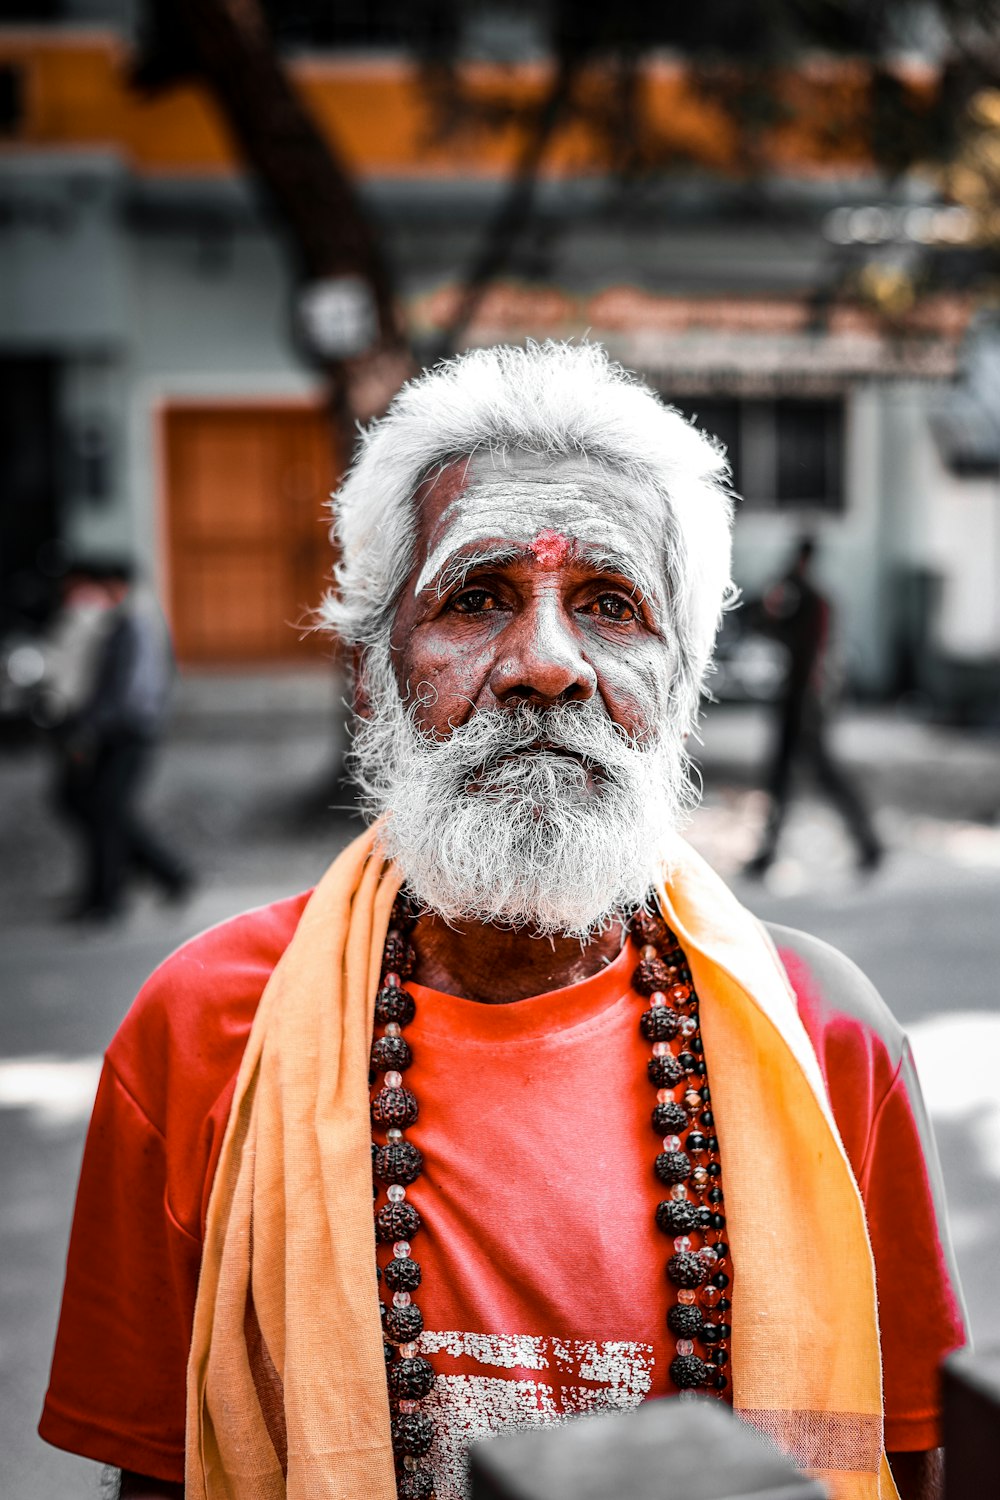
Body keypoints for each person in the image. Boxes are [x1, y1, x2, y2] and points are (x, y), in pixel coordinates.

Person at [40, 345, 963, 1500]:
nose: (544, 665)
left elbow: (918, 1462)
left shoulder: (828, 1040)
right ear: (374, 672)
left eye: (610, 605)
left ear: (680, 683)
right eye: (476, 598)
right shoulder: (200, 1028)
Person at [46, 558, 192, 920]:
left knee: (106, 811)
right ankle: (161, 876)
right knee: (102, 810)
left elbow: (130, 690)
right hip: (119, 730)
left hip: (127, 733)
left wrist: (91, 728)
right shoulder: (125, 620)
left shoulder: (135, 623)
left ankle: (111, 897)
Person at [744, 536, 884, 877]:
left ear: (801, 558)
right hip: (802, 700)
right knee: (788, 778)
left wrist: (779, 590)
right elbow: (767, 624)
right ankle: (769, 853)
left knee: (813, 776)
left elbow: (774, 627)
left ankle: (869, 844)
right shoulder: (807, 598)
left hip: (803, 702)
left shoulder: (807, 599)